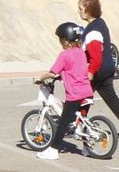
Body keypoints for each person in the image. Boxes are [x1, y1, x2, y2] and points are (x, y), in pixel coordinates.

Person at [33, 22, 94, 161]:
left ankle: (52, 150)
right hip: (87, 91)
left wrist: (40, 78)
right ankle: (87, 148)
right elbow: (75, 70)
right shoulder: (81, 53)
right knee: (82, 120)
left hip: (75, 94)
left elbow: (52, 72)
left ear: (65, 40)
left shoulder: (64, 55)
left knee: (63, 123)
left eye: (61, 39)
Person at [79, 0, 119, 139]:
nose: (78, 11)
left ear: (88, 10)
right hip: (107, 68)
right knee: (111, 99)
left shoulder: (93, 30)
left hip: (97, 69)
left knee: (82, 96)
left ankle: (77, 124)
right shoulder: (100, 22)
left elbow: (96, 56)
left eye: (80, 9)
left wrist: (91, 72)